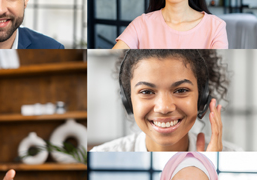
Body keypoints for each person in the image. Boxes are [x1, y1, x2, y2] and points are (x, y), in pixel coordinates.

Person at [91, 50, 240, 152]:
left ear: (202, 98)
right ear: (128, 100)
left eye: (181, 90)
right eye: (147, 92)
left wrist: (211, 171)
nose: (164, 107)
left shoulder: (234, 157)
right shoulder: (100, 155)